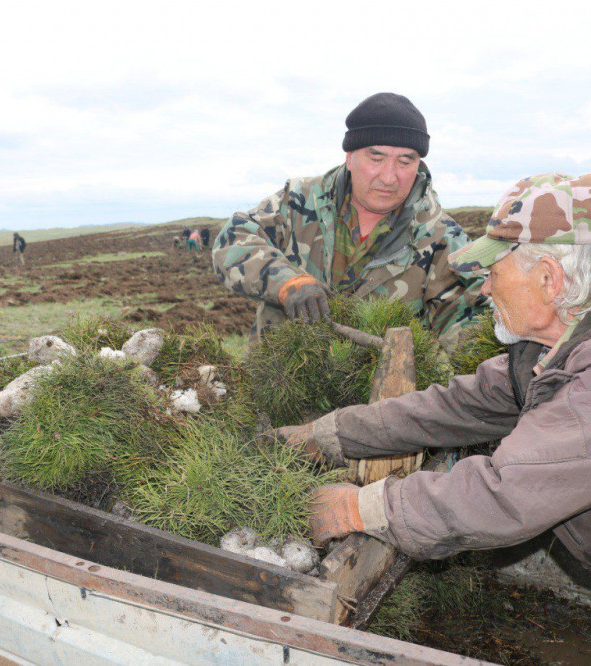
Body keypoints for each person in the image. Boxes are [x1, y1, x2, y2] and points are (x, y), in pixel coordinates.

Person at [277, 173, 591, 570]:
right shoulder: (544, 353)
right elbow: (454, 407)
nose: (484, 290)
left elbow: (504, 495)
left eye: (494, 273)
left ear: (549, 279)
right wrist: (327, 435)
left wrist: (358, 509)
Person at [212, 92, 487, 351]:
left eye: (405, 161)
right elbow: (232, 240)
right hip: (277, 383)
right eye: (376, 158)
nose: (389, 177)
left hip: (379, 398)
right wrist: (287, 284)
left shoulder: (442, 237)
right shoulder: (299, 200)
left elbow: (473, 326)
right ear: (350, 157)